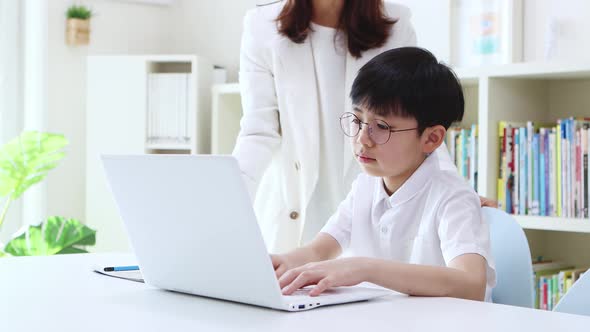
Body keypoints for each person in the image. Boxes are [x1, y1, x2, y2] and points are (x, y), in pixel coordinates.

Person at [234, 0, 496, 254]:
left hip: (370, 199)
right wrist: (228, 197)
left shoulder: (395, 24)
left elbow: (419, 119)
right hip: (294, 206)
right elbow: (258, 131)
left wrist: (454, 188)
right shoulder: (262, 26)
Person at [272, 47, 496, 301]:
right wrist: (283, 262)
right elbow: (319, 250)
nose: (362, 139)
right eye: (357, 120)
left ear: (431, 138)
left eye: (381, 127)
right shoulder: (365, 185)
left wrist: (364, 268)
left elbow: (470, 284)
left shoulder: (453, 196)